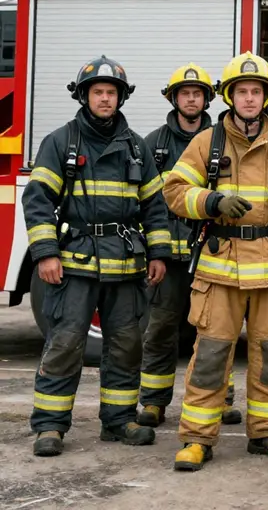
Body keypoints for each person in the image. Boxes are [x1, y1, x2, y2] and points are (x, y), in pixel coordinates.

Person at [162, 51, 268, 471]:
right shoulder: (206, 143)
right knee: (211, 357)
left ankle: (267, 433)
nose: (249, 99)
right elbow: (175, 191)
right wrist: (211, 200)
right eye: (242, 92)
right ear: (230, 97)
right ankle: (197, 438)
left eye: (256, 92)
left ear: (266, 97)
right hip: (220, 273)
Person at [23, 56, 171, 456]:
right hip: (76, 263)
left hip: (125, 265)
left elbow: (154, 207)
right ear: (85, 96)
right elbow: (38, 201)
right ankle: (50, 427)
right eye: (98, 92)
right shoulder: (61, 141)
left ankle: (119, 420)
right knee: (66, 341)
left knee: (125, 344)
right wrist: (45, 254)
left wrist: (158, 252)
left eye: (111, 93)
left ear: (121, 98)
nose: (105, 99)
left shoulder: (136, 147)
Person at [137, 63, 241, 428]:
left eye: (197, 94)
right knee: (162, 328)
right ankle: (153, 401)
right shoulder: (154, 145)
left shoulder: (220, 141)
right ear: (174, 98)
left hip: (210, 253)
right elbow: (147, 203)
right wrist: (154, 251)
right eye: (185, 93)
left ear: (207, 99)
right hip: (169, 257)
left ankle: (221, 399)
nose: (192, 99)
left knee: (215, 329)